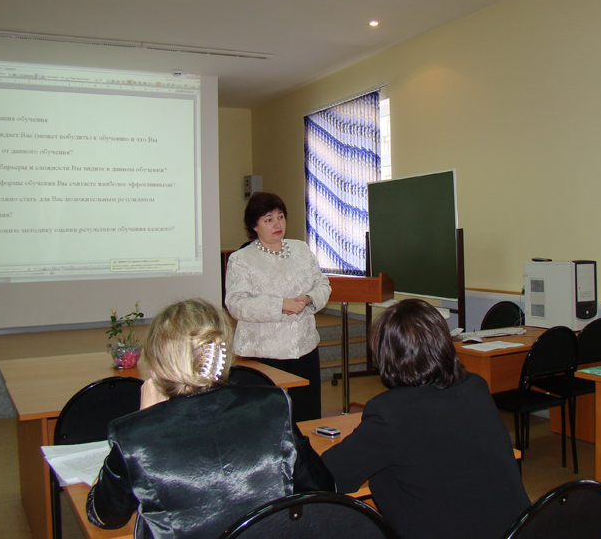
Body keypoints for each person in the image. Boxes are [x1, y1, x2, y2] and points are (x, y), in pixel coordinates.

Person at [86, 298, 334, 539]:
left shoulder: (134, 435)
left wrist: (144, 419)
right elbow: (323, 488)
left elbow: (104, 515)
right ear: (224, 352)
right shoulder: (273, 404)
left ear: (158, 360)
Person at [321, 298, 530, 539]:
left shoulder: (389, 413)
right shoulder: (475, 387)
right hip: (517, 531)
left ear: (386, 355)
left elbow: (329, 477)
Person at [225, 192, 331, 422]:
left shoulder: (301, 249)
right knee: (267, 420)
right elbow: (236, 303)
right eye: (269, 219)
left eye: (281, 217)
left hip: (304, 348)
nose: (277, 224)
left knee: (306, 417)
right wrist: (280, 305)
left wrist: (309, 298)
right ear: (254, 226)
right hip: (263, 353)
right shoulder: (241, 259)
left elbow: (322, 284)